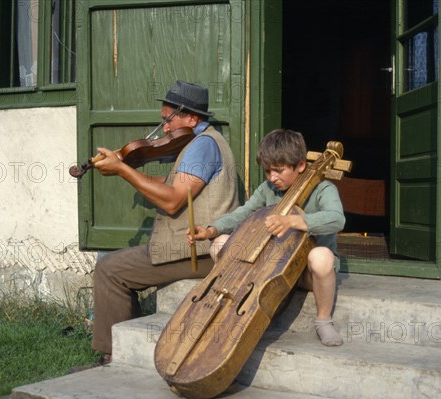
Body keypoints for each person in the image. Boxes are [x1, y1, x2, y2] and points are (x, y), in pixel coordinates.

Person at [88, 81, 239, 363]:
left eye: (168, 119)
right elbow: (173, 184)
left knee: (110, 269)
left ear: (192, 118)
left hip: (200, 250)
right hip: (199, 245)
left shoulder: (201, 146)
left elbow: (172, 200)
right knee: (114, 266)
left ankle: (115, 356)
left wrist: (122, 169)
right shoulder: (204, 140)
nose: (165, 128)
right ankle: (124, 347)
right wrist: (128, 170)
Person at [188, 129, 345, 346]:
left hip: (307, 274)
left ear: (300, 165)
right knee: (220, 244)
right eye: (268, 171)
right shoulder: (268, 188)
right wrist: (212, 229)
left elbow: (337, 219)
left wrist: (293, 221)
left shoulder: (323, 189)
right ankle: (234, 302)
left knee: (321, 256)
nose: (273, 178)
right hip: (273, 265)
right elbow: (244, 213)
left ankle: (323, 321)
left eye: (279, 171)